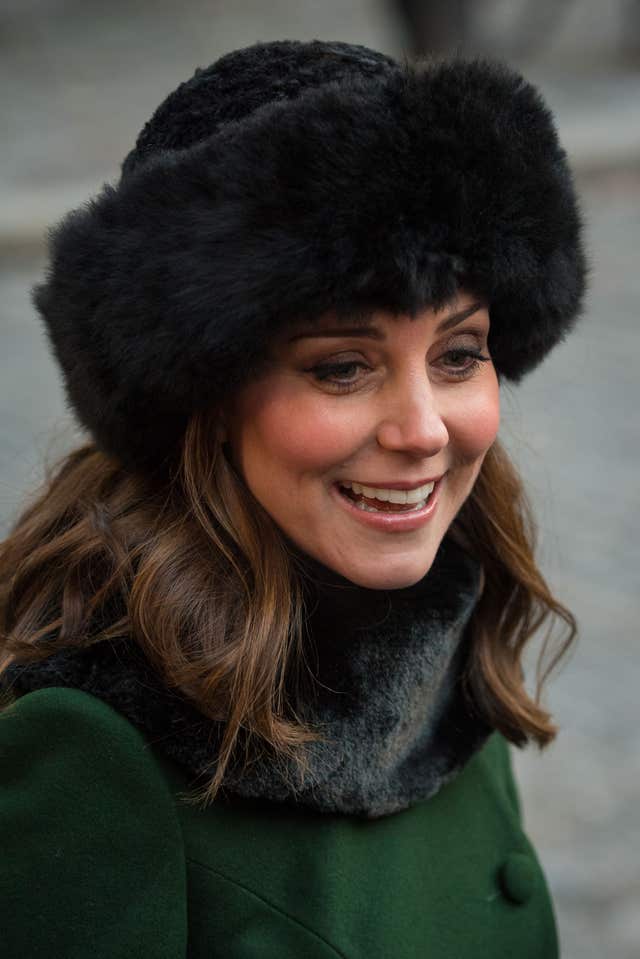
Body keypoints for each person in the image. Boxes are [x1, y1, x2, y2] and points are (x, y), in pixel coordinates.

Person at [0, 39, 586, 959]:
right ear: (204, 394)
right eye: (343, 367)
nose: (424, 429)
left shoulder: (448, 629)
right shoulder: (94, 753)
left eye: (460, 353)